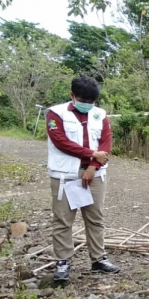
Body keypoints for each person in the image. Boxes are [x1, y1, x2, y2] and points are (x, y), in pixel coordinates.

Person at [46, 76, 120, 281]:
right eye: (82, 100)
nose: (87, 105)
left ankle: (98, 259)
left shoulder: (100, 115)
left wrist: (92, 166)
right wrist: (91, 154)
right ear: (72, 95)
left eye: (91, 102)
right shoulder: (55, 114)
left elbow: (105, 144)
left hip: (94, 174)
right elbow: (60, 142)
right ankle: (63, 262)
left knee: (95, 218)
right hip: (65, 174)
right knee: (63, 220)